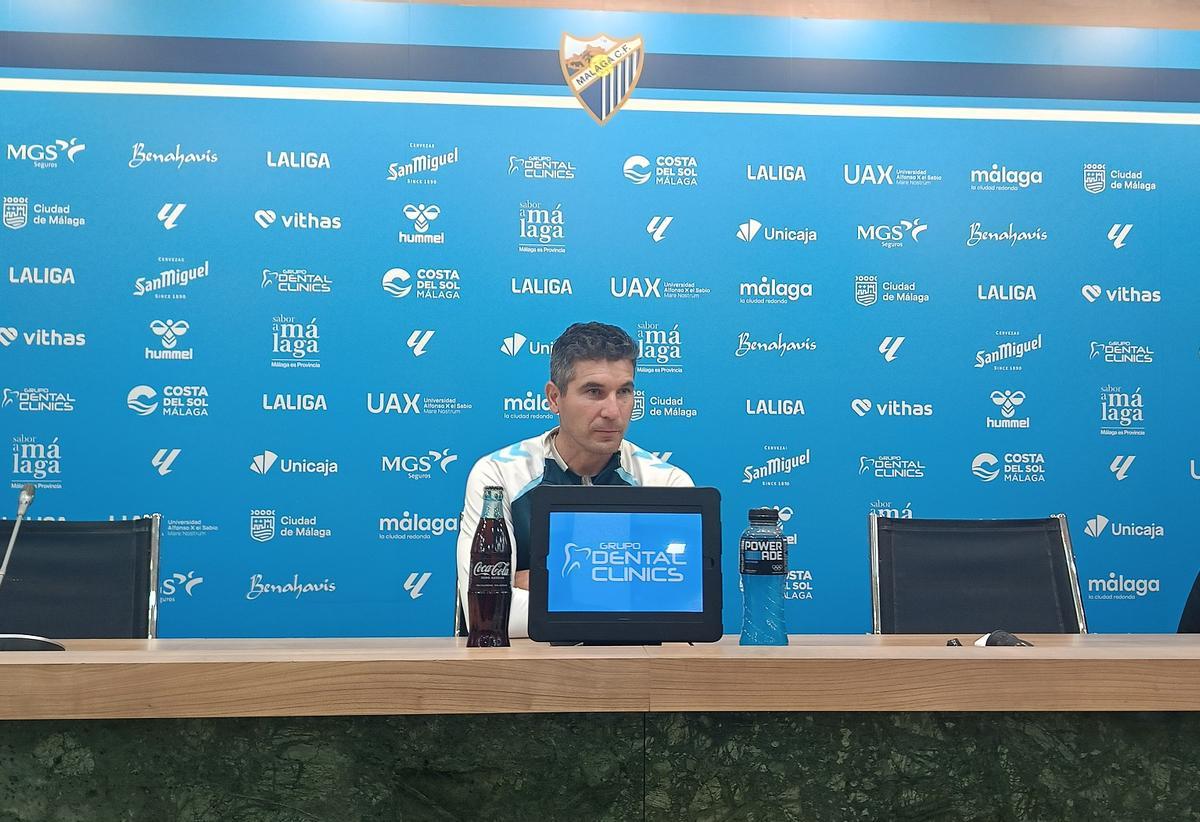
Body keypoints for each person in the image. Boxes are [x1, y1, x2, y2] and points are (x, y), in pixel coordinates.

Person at [456, 321, 693, 637]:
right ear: (554, 398)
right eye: (594, 392)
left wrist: (544, 580)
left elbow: (680, 612)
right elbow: (486, 616)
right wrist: (626, 589)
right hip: (520, 677)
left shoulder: (666, 483)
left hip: (633, 674)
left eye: (624, 392)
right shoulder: (498, 475)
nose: (613, 411)